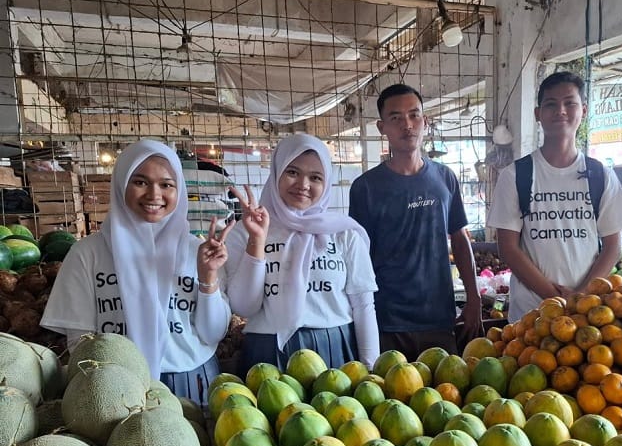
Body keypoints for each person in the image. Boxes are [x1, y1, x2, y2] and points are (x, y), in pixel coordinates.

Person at [41, 139, 233, 404]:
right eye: (140, 182)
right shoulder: (87, 254)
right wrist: (108, 387)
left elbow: (213, 334)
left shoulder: (198, 251)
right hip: (116, 389)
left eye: (166, 184)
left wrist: (207, 277)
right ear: (121, 184)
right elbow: (80, 343)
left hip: (192, 383)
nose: (154, 195)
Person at [225, 134, 379, 377]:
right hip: (267, 351)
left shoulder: (344, 234)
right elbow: (244, 306)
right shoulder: (245, 232)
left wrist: (372, 368)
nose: (303, 184)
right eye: (293, 172)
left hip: (334, 347)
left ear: (326, 182)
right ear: (276, 172)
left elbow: (363, 305)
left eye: (315, 177)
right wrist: (257, 241)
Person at [349, 83, 482, 360]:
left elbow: (459, 239)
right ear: (381, 127)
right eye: (396, 118)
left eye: (414, 115)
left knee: (446, 398)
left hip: (438, 317)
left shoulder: (445, 178)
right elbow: (357, 256)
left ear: (426, 121)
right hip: (386, 320)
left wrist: (474, 298)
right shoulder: (366, 187)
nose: (407, 125)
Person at [488, 71, 622, 322]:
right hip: (530, 316)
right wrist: (555, 298)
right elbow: (508, 248)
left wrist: (580, 295)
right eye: (551, 104)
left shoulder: (601, 175)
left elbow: (613, 246)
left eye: (570, 103)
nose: (561, 111)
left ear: (584, 110)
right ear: (538, 114)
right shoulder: (515, 175)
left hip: (588, 315)